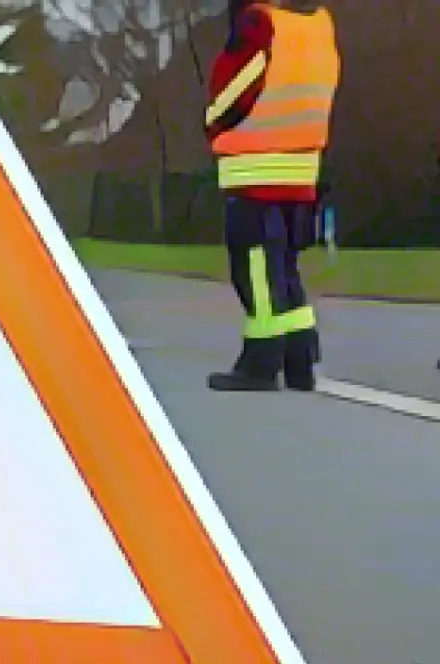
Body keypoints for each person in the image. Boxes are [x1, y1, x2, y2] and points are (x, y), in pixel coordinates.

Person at [203, 0, 341, 392]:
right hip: (301, 173)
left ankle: (260, 363)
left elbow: (237, 87)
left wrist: (212, 122)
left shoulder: (259, 25)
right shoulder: (317, 30)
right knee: (284, 268)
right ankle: (300, 359)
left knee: (256, 272)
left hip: (256, 171)